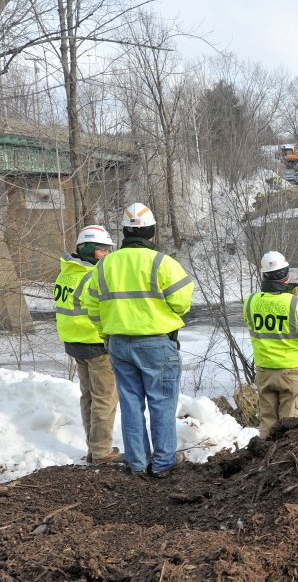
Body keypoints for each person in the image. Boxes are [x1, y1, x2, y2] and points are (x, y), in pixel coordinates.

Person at [85, 203, 194, 478]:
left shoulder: (105, 264)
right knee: (162, 404)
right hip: (157, 343)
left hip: (119, 344)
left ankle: (137, 463)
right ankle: (163, 462)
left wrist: (105, 332)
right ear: (152, 234)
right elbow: (182, 303)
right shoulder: (162, 263)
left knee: (131, 405)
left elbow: (92, 306)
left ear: (123, 233)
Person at [244, 251, 298, 439]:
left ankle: (265, 462)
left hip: (265, 372)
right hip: (292, 374)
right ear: (287, 275)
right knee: (292, 428)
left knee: (267, 423)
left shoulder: (250, 302)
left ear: (264, 275)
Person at [55, 225, 121, 465]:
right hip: (95, 343)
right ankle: (103, 452)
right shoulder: (93, 275)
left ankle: (95, 448)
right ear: (91, 250)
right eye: (103, 250)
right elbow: (105, 309)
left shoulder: (68, 271)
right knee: (105, 398)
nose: (108, 254)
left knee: (88, 396)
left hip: (74, 342)